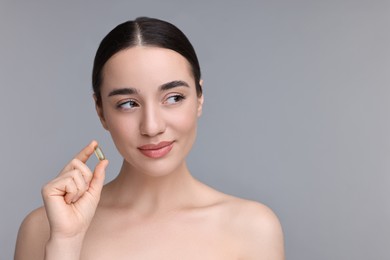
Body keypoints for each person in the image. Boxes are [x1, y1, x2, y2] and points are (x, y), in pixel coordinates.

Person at [14, 17, 284, 260]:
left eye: (174, 98)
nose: (152, 127)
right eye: (128, 103)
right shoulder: (44, 229)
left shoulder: (253, 228)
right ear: (101, 111)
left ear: (199, 98)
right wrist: (66, 243)